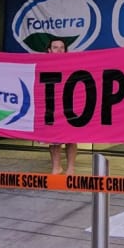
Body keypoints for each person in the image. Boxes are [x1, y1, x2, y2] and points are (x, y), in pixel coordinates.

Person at [47, 38, 78, 175]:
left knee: (71, 139)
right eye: (55, 47)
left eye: (62, 47)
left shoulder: (72, 65)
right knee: (53, 140)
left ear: (66, 50)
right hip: (50, 107)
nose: (59, 50)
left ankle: (71, 168)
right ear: (49, 51)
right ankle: (56, 167)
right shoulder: (43, 65)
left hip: (68, 106)